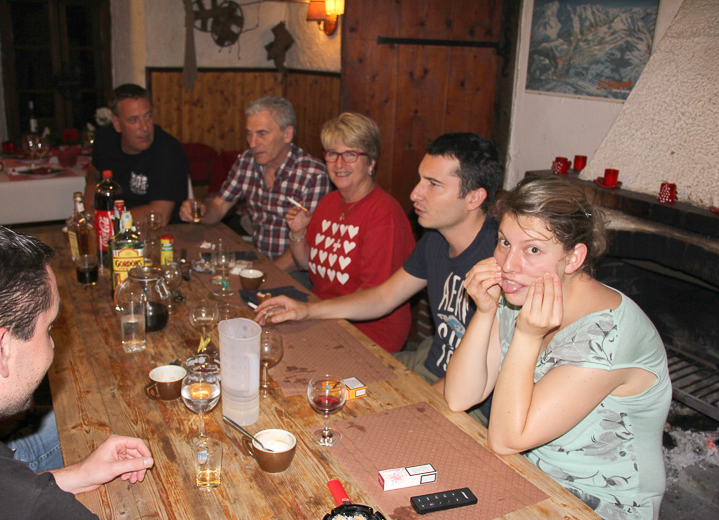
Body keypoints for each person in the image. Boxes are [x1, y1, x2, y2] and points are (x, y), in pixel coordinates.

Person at [444, 176, 671, 519]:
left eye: (533, 249)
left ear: (573, 257)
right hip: (528, 475)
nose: (508, 264)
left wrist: (527, 337)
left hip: (601, 505)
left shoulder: (609, 335)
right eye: (504, 242)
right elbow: (460, 397)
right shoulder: (523, 293)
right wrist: (486, 311)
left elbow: (506, 439)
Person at [256, 133, 503, 414]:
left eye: (433, 184)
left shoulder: (502, 260)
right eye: (420, 180)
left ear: (474, 197)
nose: (415, 194)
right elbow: (384, 297)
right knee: (313, 384)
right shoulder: (435, 239)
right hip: (428, 368)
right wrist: (306, 310)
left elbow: (482, 380)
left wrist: (402, 402)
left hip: (471, 403)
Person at [0, 219, 154, 519]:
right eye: (49, 328)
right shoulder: (37, 508)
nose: (53, 345)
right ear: (2, 350)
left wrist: (79, 474)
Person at [283, 113, 415, 353]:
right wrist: (298, 232)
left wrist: (312, 312)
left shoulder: (384, 214)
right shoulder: (328, 202)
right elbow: (305, 264)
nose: (339, 164)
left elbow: (374, 297)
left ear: (371, 162)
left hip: (370, 332)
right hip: (325, 316)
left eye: (350, 154)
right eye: (332, 154)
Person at [179, 95, 331, 271]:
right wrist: (200, 211)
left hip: (297, 271)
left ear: (287, 134)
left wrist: (265, 274)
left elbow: (309, 244)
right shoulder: (246, 162)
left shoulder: (313, 175)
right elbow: (219, 207)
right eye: (249, 134)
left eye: (262, 134)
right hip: (258, 261)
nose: (252, 143)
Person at [84, 83, 188, 224]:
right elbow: (93, 172)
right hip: (113, 226)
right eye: (134, 120)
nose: (144, 128)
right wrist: (90, 203)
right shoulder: (105, 140)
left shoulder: (169, 150)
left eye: (148, 117)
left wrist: (106, 220)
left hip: (161, 232)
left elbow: (159, 215)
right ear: (117, 123)